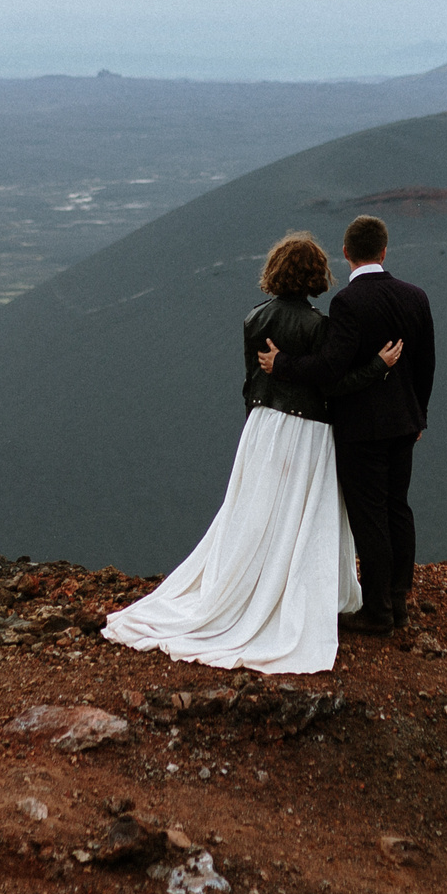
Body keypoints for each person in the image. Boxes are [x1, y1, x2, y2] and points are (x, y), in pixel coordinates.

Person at [101, 232, 403, 675]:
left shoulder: (253, 319)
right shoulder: (321, 327)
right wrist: (378, 367)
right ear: (317, 274)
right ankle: (289, 591)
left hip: (261, 426)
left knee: (254, 513)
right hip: (307, 432)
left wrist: (258, 422)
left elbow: (251, 382)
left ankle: (250, 586)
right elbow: (331, 386)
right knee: (299, 516)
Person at [255, 213, 436, 636]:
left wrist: (282, 363)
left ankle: (376, 611)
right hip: (406, 423)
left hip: (361, 428)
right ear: (384, 250)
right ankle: (398, 601)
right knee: (398, 508)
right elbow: (426, 365)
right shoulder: (416, 297)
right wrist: (419, 414)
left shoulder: (348, 304)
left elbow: (330, 368)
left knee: (369, 516)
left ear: (346, 253)